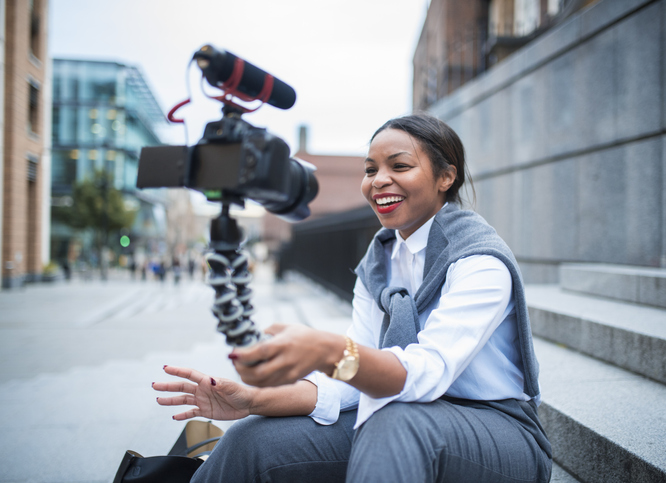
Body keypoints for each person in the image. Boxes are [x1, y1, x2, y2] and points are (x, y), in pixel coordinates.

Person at [153, 114, 552, 482]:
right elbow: (355, 380)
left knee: (394, 417)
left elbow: (423, 374)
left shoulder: (479, 261)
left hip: (497, 430)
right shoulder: (379, 261)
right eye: (370, 169)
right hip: (404, 416)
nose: (378, 180)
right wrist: (255, 400)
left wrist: (329, 350)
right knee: (251, 440)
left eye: (399, 166)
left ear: (446, 177)